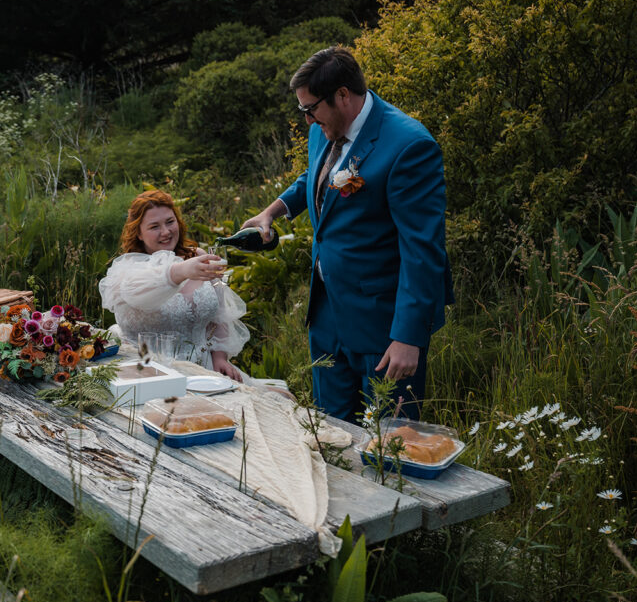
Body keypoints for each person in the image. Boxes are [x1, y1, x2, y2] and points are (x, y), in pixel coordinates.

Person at [243, 46, 453, 422]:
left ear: (343, 95)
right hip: (326, 316)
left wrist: (409, 336)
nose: (307, 120)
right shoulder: (326, 127)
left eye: (311, 109)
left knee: (388, 447)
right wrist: (274, 210)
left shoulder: (409, 146)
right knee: (332, 435)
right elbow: (317, 174)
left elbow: (423, 250)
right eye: (302, 110)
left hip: (383, 326)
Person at [99, 190, 249, 382]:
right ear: (138, 233)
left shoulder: (197, 256)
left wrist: (219, 358)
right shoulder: (127, 270)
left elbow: (220, 314)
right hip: (150, 373)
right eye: (154, 226)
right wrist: (182, 271)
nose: (166, 232)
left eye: (170, 222)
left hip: (206, 370)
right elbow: (135, 290)